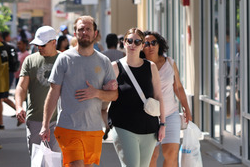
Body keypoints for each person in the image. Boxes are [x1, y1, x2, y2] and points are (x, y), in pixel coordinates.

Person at [41, 16, 118, 167]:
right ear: (75, 33)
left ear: (95, 33)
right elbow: (53, 93)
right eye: (80, 29)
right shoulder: (64, 58)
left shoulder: (104, 62)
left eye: (88, 29)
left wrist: (96, 93)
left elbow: (114, 95)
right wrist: (45, 124)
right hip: (69, 127)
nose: (84, 32)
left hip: (94, 129)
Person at [107, 28, 165, 167]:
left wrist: (162, 124)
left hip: (149, 128)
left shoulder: (150, 67)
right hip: (123, 126)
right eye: (130, 41)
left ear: (142, 45)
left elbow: (158, 96)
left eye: (137, 41)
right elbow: (105, 95)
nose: (133, 44)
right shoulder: (115, 67)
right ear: (124, 43)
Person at [143, 31, 192, 167]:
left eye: (154, 42)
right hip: (149, 117)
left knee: (171, 154)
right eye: (146, 43)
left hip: (170, 114)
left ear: (160, 45)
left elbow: (178, 87)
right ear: (142, 47)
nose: (150, 46)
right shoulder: (140, 65)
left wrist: (186, 108)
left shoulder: (170, 62)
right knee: (152, 156)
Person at [15, 26, 61, 154]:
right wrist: (19, 107)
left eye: (42, 45)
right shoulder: (30, 60)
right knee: (37, 160)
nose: (39, 48)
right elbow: (21, 87)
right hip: (35, 119)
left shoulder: (64, 59)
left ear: (53, 42)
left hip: (59, 120)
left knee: (56, 160)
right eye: (37, 45)